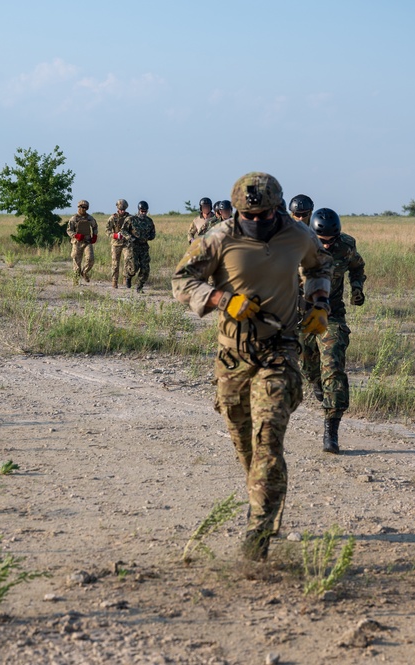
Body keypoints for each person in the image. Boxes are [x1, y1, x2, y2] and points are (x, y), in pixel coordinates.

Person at [172, 172, 332, 561]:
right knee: (243, 436)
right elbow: (181, 281)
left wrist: (319, 304)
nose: (258, 221)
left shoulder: (298, 235)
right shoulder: (218, 238)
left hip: (280, 349)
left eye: (265, 215)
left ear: (278, 208)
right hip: (233, 354)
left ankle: (258, 531)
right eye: (250, 215)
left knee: (268, 437)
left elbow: (319, 265)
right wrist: (220, 299)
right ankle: (260, 493)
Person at [301, 208, 366, 454]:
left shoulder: (346, 245)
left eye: (331, 240)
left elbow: (357, 267)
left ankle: (331, 429)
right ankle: (316, 382)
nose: (327, 246)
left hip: (332, 314)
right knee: (308, 366)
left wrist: (357, 288)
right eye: (322, 241)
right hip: (302, 315)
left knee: (333, 366)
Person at [121, 201, 156, 292]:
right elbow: (123, 230)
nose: (143, 213)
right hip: (133, 246)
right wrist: (130, 237)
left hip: (144, 247)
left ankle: (139, 286)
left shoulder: (149, 221)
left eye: (145, 211)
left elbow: (153, 233)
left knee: (145, 269)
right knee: (133, 268)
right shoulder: (131, 219)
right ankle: (128, 276)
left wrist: (150, 237)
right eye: (142, 211)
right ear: (138, 210)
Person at [66, 200, 98, 283]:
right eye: (82, 207)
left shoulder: (89, 218)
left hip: (87, 241)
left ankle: (84, 272)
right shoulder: (74, 218)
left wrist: (94, 236)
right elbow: (69, 230)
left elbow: (95, 226)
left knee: (91, 259)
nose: (84, 209)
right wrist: (76, 235)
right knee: (77, 262)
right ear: (79, 207)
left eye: (86, 208)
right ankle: (75, 281)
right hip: (77, 242)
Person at [105, 199, 131, 288]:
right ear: (117, 208)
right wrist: (115, 235)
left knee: (128, 260)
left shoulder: (129, 218)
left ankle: (125, 278)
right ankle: (114, 281)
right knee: (115, 263)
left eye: (124, 209)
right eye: (121, 210)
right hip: (116, 244)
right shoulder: (113, 218)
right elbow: (107, 230)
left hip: (126, 243)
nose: (122, 211)